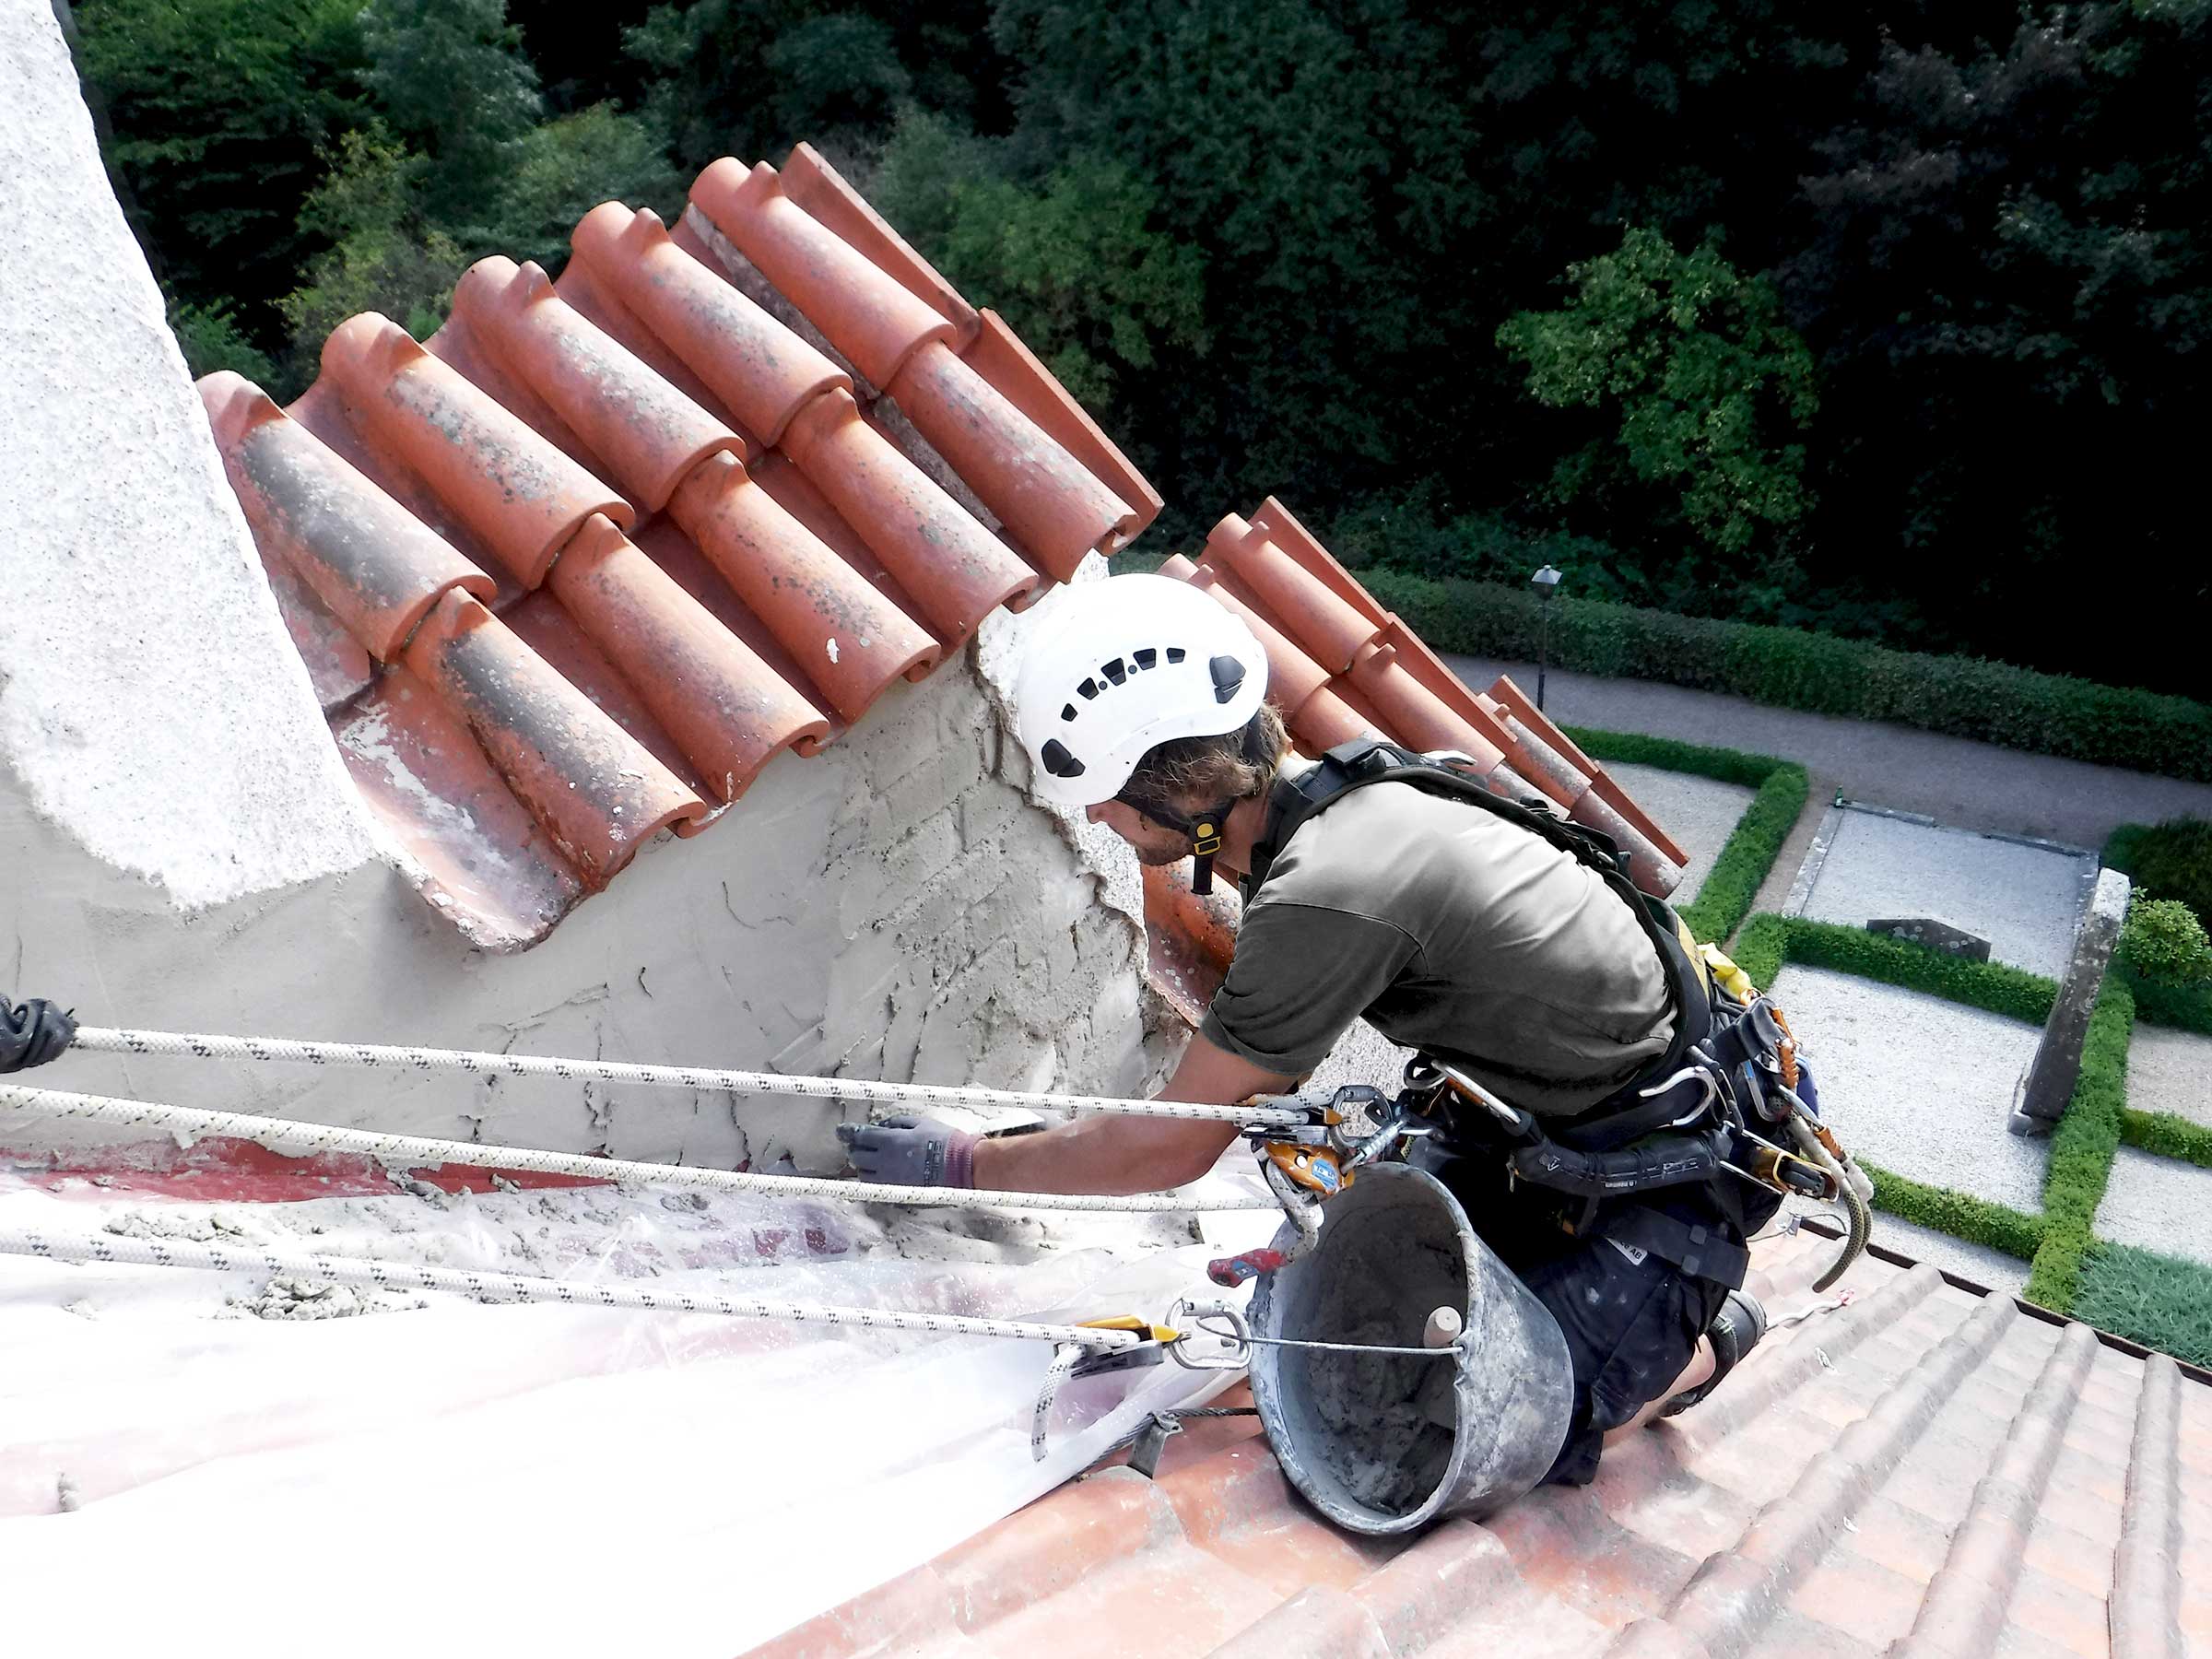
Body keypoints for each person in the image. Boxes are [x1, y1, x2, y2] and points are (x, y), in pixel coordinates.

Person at [840, 574, 1768, 1484]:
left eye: (1106, 795)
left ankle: (1701, 1341)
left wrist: (963, 1163)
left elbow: (1161, 1151)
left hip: (1682, 1158)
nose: (1091, 815)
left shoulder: (1329, 889)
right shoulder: (1325, 796)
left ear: (1179, 786)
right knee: (1373, 1298)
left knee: (1496, 1427)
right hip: (1552, 1108)